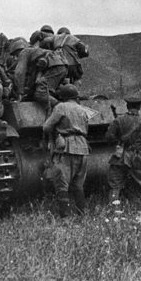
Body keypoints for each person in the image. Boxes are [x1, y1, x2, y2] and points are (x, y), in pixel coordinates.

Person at [43, 84, 90, 217]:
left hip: (66, 147)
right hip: (83, 147)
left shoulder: (61, 107)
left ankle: (65, 216)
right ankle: (82, 214)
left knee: (61, 184)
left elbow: (46, 127)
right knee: (78, 184)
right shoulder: (82, 109)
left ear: (62, 97)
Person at [106, 97, 141, 205]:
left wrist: (119, 140)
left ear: (127, 106)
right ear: (139, 107)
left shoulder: (119, 120)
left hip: (121, 155)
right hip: (138, 156)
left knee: (115, 184)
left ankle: (113, 208)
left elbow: (109, 137)